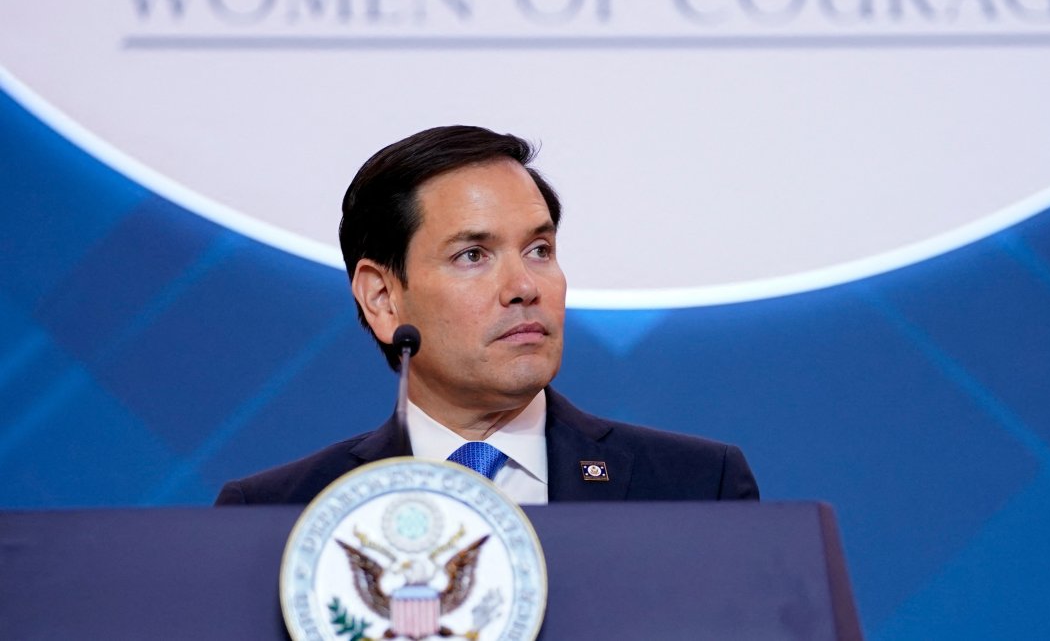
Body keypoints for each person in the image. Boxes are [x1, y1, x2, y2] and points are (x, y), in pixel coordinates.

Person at [215, 126, 758, 505]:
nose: (524, 286)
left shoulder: (694, 487)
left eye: (539, 249)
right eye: (472, 255)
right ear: (381, 297)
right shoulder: (279, 514)